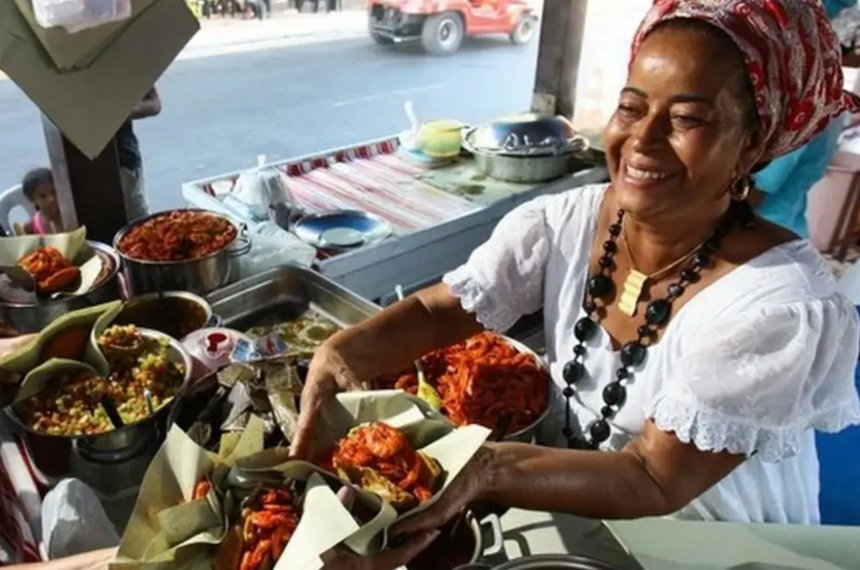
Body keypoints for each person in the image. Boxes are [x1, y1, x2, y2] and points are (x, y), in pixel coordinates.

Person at [293, 0, 860, 543]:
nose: (642, 138)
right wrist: (347, 348)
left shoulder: (778, 307)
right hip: (576, 499)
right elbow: (440, 310)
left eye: (686, 118)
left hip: (712, 538)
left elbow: (655, 477)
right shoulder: (561, 222)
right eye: (631, 107)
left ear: (751, 145)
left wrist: (486, 469)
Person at [749, 0, 856, 237]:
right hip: (784, 227)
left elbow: (753, 193)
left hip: (761, 235)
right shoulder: (825, 94)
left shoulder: (802, 98)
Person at [117, 88, 161, 222]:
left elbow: (154, 104)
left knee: (137, 222)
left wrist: (120, 111)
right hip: (78, 166)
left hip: (123, 159)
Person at [20, 168, 61, 235]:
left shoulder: (70, 214)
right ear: (32, 200)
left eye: (54, 192)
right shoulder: (31, 226)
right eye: (42, 196)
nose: (51, 199)